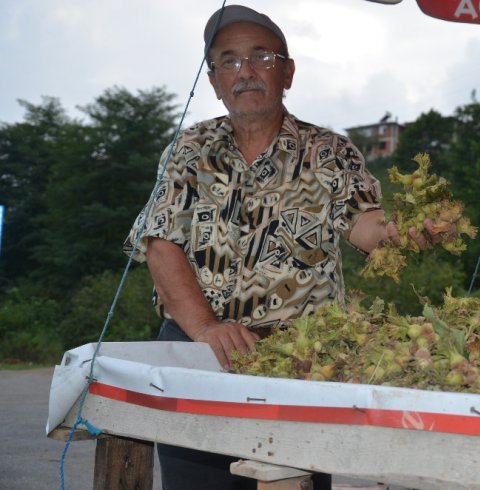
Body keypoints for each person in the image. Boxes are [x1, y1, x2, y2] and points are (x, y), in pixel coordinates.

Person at [124, 4, 441, 490]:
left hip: (300, 362)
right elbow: (160, 243)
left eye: (261, 57)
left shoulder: (329, 151)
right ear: (212, 80)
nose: (245, 72)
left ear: (287, 72)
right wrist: (208, 328)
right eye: (227, 61)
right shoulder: (189, 149)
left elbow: (366, 225)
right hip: (195, 352)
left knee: (291, 480)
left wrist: (406, 230)